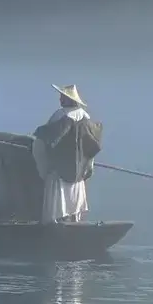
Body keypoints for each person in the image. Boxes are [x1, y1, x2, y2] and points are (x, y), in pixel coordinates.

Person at [32, 84, 103, 224]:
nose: (59, 99)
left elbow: (45, 139)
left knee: (58, 202)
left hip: (59, 170)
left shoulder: (61, 116)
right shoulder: (86, 119)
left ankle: (55, 222)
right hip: (79, 172)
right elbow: (91, 147)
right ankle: (73, 220)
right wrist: (88, 166)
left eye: (62, 97)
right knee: (74, 199)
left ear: (67, 99)